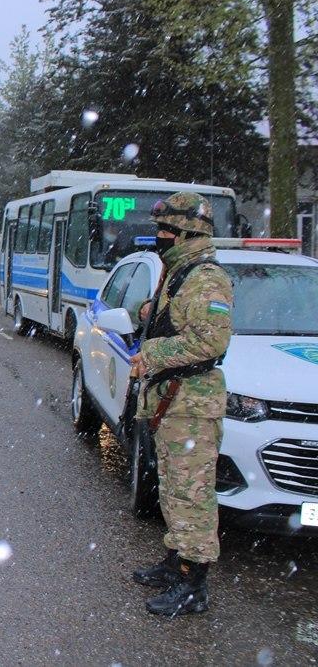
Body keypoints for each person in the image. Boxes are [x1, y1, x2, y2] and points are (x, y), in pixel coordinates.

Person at [128, 192, 233, 617]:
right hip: (173, 402)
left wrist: (152, 354)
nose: (159, 236)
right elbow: (175, 322)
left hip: (192, 405)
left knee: (192, 494)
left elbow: (211, 340)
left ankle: (195, 584)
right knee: (172, 489)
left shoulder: (206, 277)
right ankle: (177, 561)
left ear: (187, 233)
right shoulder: (179, 272)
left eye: (165, 230)